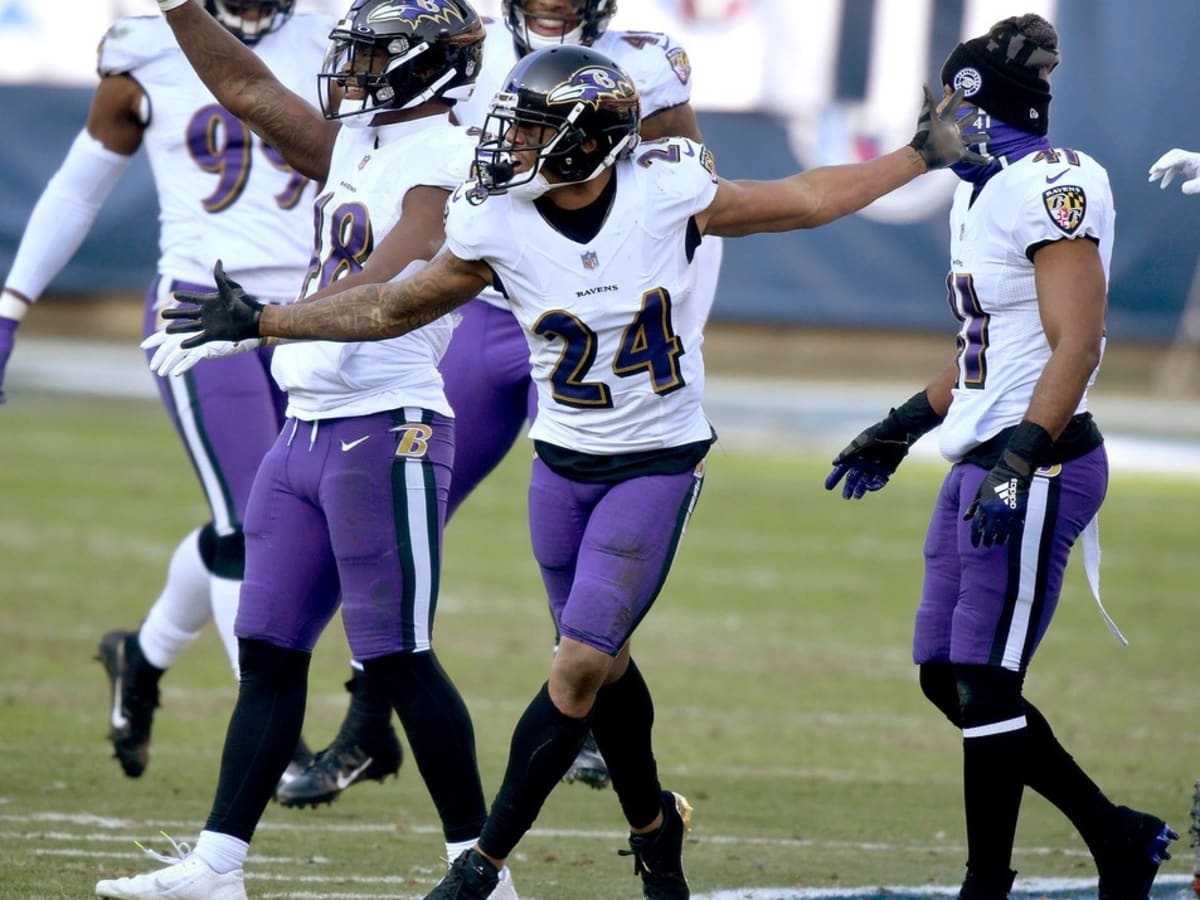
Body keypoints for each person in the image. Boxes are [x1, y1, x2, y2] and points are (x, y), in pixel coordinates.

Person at [147, 41, 981, 899]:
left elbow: (806, 199)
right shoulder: (494, 219)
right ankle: (656, 830)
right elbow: (395, 304)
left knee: (579, 665)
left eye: (532, 128)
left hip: (655, 461)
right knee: (605, 669)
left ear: (585, 140)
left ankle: (481, 867)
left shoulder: (667, 192)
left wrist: (920, 154)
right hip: (561, 469)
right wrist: (271, 320)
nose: (508, 144)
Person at [95, 0, 517, 898]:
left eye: (372, 55)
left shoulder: (450, 166)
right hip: (310, 425)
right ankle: (218, 866)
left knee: (397, 653)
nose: (352, 69)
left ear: (430, 67)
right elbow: (246, 85)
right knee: (272, 648)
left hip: (389, 425)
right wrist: (177, 5)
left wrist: (264, 322)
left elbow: (388, 298)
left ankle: (477, 869)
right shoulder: (362, 140)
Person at [281, 0, 721, 809]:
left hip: (605, 325)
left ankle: (585, 705)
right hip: (486, 309)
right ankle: (367, 726)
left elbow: (692, 215)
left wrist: (678, 327)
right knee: (409, 517)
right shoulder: (466, 52)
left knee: (608, 514)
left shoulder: (645, 61)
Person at [823, 14, 1176, 900]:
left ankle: (989, 884)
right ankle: (1114, 833)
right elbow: (994, 349)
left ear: (974, 105)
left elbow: (1079, 341)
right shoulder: (977, 189)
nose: (932, 113)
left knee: (985, 680)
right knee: (946, 676)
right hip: (984, 454)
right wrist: (903, 422)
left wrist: (1022, 458)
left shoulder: (1054, 184)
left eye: (944, 96)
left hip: (1041, 460)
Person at [0, 0, 332, 780]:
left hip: (313, 314)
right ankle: (276, 735)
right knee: (252, 522)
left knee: (278, 523)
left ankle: (142, 658)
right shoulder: (149, 42)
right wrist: (12, 302)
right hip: (199, 308)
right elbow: (81, 187)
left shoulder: (332, 35)